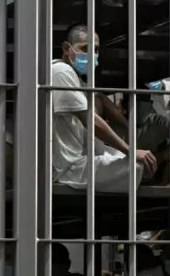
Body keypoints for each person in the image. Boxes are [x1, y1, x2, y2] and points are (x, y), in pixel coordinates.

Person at [50, 24, 158, 191]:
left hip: (78, 160)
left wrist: (127, 152)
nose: (92, 55)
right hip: (67, 168)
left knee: (139, 162)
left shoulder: (79, 81)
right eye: (85, 48)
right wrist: (130, 151)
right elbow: (90, 120)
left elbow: (90, 133)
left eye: (95, 50)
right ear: (66, 48)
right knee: (136, 166)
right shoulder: (60, 71)